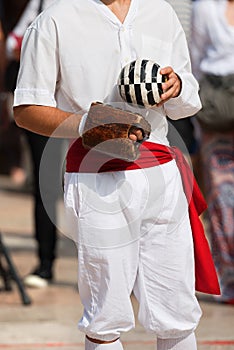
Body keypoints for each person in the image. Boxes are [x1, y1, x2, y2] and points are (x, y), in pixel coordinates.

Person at [13, 0, 220, 349]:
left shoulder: (161, 12)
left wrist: (176, 88)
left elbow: (189, 98)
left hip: (162, 172)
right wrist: (86, 123)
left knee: (178, 315)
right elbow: (26, 109)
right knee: (105, 318)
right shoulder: (55, 19)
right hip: (97, 180)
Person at [6, 0, 63, 288]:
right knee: (46, 185)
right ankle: (45, 263)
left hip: (94, 106)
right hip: (46, 110)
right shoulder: (41, 4)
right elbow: (12, 43)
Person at [190, 0, 234, 305]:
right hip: (217, 110)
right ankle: (228, 277)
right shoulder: (205, 7)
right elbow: (194, 59)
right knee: (221, 198)